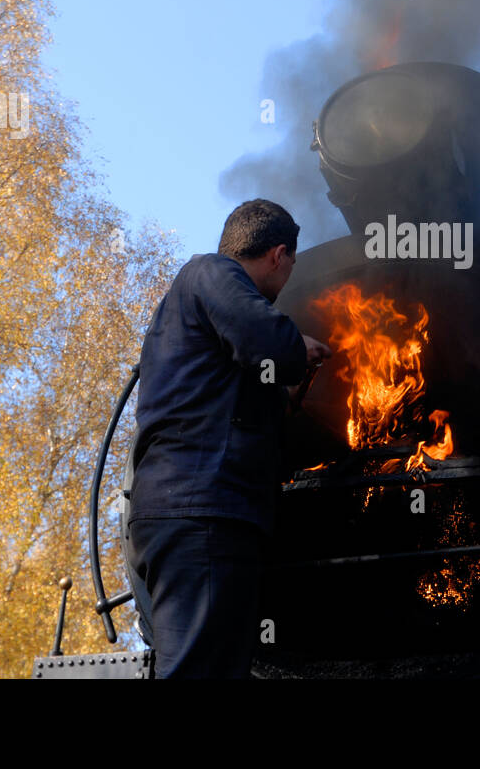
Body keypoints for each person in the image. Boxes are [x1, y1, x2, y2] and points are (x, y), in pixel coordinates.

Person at [127, 199, 331, 678]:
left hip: (196, 511)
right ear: (279, 255)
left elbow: (228, 395)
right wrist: (296, 345)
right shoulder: (211, 272)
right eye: (291, 267)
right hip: (200, 510)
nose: (286, 284)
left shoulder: (195, 312)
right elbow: (268, 340)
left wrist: (284, 398)